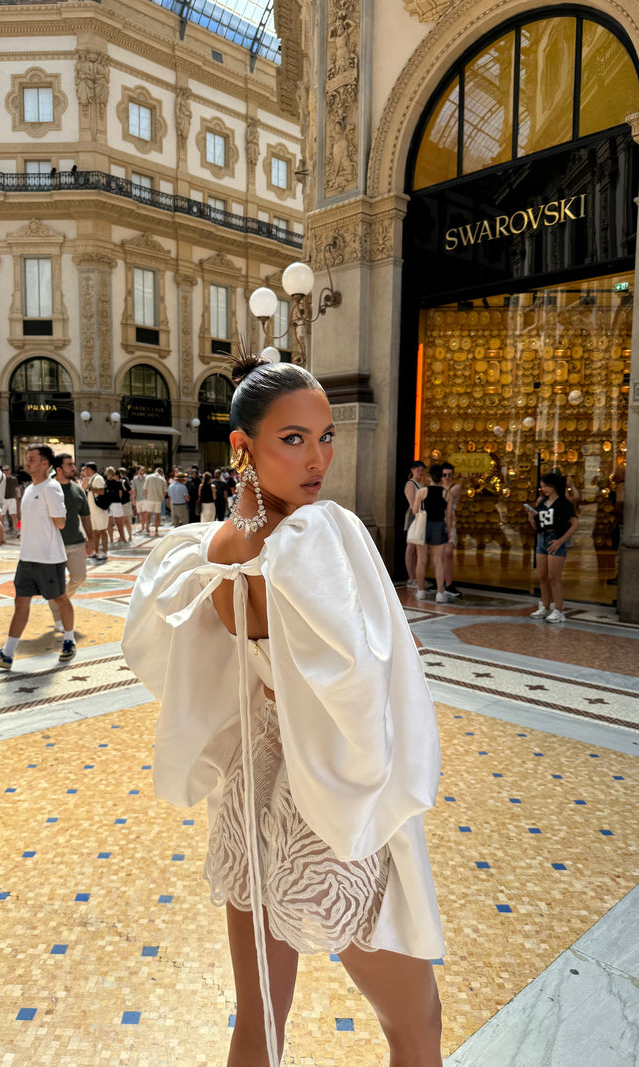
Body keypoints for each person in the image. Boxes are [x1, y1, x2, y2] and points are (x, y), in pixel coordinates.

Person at [124, 356, 444, 1067]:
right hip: (333, 807)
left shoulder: (203, 551)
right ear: (242, 446)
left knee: (260, 1022)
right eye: (293, 439)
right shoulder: (320, 535)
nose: (319, 458)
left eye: (326, 437)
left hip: (251, 794)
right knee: (417, 1028)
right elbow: (363, 683)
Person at [0, 444, 75, 668]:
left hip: (49, 557)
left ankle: (69, 641)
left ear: (45, 463)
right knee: (20, 602)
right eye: (27, 458)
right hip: (27, 557)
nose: (27, 462)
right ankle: (7, 653)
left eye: (32, 459)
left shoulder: (51, 487)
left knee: (60, 599)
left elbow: (60, 522)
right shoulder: (30, 488)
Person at [49, 453, 94, 635]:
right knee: (55, 584)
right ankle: (59, 618)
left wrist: (91, 539)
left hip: (76, 543)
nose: (73, 468)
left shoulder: (77, 489)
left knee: (79, 577)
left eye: (73, 464)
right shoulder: (47, 489)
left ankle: (61, 601)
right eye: (69, 465)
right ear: (58, 469)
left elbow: (85, 516)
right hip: (52, 545)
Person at [527, 471, 578, 624]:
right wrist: (531, 517)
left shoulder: (564, 503)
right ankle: (544, 606)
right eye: (542, 487)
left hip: (556, 538)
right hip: (542, 539)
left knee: (553, 577)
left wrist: (561, 541)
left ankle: (559, 610)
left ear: (554, 486)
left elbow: (575, 524)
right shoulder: (542, 503)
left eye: (546, 486)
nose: (543, 489)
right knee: (542, 577)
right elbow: (537, 526)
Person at [412, 465, 455, 603]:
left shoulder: (422, 491)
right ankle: (440, 593)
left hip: (424, 526)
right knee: (439, 562)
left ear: (429, 476)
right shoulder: (447, 493)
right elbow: (448, 516)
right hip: (439, 526)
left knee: (421, 560)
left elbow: (414, 510)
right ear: (441, 477)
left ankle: (421, 591)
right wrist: (448, 531)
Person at [440, 461, 463, 597]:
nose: (447, 477)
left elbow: (445, 497)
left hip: (450, 521)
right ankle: (441, 582)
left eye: (449, 474)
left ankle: (448, 583)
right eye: (444, 475)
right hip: (438, 520)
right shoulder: (440, 487)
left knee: (448, 552)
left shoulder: (456, 487)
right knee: (439, 553)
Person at [403, 460, 426, 588]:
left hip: (421, 515)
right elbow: (413, 505)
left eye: (422, 470)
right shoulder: (410, 484)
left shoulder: (421, 484)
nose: (420, 472)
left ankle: (417, 577)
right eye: (418, 469)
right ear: (412, 470)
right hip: (414, 516)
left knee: (417, 548)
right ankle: (411, 577)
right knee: (411, 547)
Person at [83, 462, 108, 560]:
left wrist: (91, 488)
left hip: (100, 509)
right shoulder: (92, 479)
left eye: (85, 469)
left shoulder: (98, 478)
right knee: (95, 532)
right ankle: (96, 551)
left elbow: (102, 491)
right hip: (93, 510)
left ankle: (104, 552)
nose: (84, 472)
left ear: (89, 469)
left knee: (102, 531)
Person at [142, 466, 168, 536]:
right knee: (157, 515)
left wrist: (146, 497)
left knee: (148, 514)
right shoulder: (162, 480)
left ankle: (147, 528)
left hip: (149, 498)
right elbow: (165, 491)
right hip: (158, 500)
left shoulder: (149, 477)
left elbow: (145, 489)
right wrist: (161, 498)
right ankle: (156, 529)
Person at [2, 465, 19, 536]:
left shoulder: (14, 479)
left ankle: (17, 531)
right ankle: (1, 532)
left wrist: (17, 498)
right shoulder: (1, 480)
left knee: (14, 515)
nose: (5, 471)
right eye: (4, 470)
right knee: (1, 516)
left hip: (12, 499)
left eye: (7, 470)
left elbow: (16, 489)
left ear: (10, 470)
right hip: (3, 499)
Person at [131, 465, 147, 534]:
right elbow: (134, 489)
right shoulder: (135, 479)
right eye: (141, 470)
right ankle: (143, 526)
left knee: (145, 513)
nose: (143, 471)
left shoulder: (146, 478)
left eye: (143, 470)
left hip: (145, 498)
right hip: (138, 498)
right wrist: (133, 499)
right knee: (141, 513)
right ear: (138, 471)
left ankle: (146, 526)